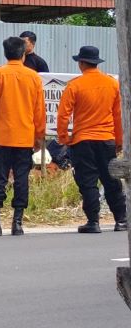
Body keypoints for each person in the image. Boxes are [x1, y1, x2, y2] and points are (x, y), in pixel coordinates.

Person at [0, 36, 45, 237]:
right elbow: (39, 110)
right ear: (23, 54)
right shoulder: (34, 77)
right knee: (22, 178)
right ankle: (17, 223)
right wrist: (39, 136)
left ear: (6, 53)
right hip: (25, 138)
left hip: (2, 137)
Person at [56, 46, 127, 233]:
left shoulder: (74, 85)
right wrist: (119, 140)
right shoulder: (111, 84)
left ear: (81, 63)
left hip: (82, 141)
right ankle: (121, 219)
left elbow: (63, 115)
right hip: (106, 140)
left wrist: (64, 137)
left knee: (87, 180)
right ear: (96, 63)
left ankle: (93, 222)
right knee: (111, 179)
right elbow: (118, 115)